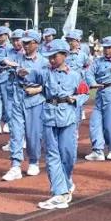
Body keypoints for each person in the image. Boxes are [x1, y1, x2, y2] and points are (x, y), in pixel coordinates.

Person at [24, 38, 90, 210]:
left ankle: (66, 183)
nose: (52, 60)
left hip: (67, 116)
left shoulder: (76, 75)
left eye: (55, 56)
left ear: (65, 55)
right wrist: (21, 72)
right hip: (48, 115)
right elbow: (28, 75)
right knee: (52, 154)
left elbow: (85, 93)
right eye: (49, 57)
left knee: (67, 154)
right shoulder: (44, 72)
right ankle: (59, 193)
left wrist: (75, 99)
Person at [4, 30, 46, 179]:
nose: (25, 45)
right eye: (24, 42)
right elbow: (0, 63)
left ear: (36, 43)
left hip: (35, 100)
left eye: (28, 42)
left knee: (33, 133)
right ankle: (15, 165)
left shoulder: (44, 61)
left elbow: (50, 84)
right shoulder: (17, 57)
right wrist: (7, 64)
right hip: (18, 97)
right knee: (15, 132)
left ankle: (33, 161)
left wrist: (38, 89)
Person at [84, 36, 111, 162]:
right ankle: (97, 150)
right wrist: (92, 82)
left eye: (109, 47)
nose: (106, 50)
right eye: (105, 48)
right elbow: (89, 73)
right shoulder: (98, 61)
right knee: (94, 123)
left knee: (109, 125)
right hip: (100, 93)